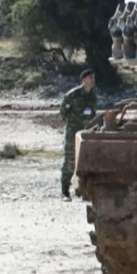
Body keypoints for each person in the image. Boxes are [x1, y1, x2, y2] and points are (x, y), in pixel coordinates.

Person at [59, 69, 98, 201]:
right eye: (90, 78)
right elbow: (63, 111)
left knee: (86, 162)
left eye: (93, 78)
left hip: (86, 133)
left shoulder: (93, 96)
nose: (92, 80)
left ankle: (84, 191)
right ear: (83, 80)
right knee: (70, 162)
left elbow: (93, 114)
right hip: (73, 132)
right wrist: (71, 123)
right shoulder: (73, 95)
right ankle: (65, 191)